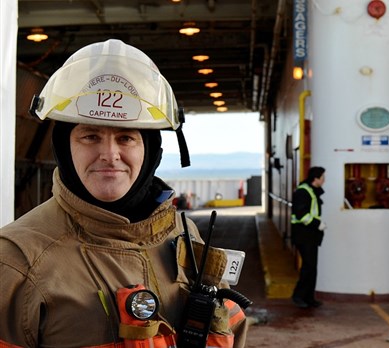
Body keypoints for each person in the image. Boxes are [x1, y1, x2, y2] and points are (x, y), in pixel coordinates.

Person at [0, 39, 247, 347]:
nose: (110, 154)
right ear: (64, 149)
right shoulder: (15, 262)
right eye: (90, 136)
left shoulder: (185, 237)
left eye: (126, 138)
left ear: (150, 152)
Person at [290, 166, 326, 308]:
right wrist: (318, 223)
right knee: (308, 267)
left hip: (310, 236)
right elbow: (301, 215)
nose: (324, 180)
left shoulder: (311, 191)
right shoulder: (303, 192)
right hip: (304, 236)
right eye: (323, 177)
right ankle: (298, 296)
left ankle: (309, 298)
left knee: (312, 268)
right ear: (315, 178)